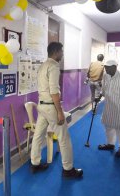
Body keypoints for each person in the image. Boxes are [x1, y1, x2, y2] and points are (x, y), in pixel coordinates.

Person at [30, 42, 83, 178]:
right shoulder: (53, 66)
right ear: (56, 52)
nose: (63, 54)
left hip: (41, 105)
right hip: (50, 107)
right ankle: (68, 169)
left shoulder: (42, 66)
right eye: (62, 51)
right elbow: (54, 91)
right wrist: (59, 112)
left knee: (38, 135)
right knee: (64, 138)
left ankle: (35, 163)